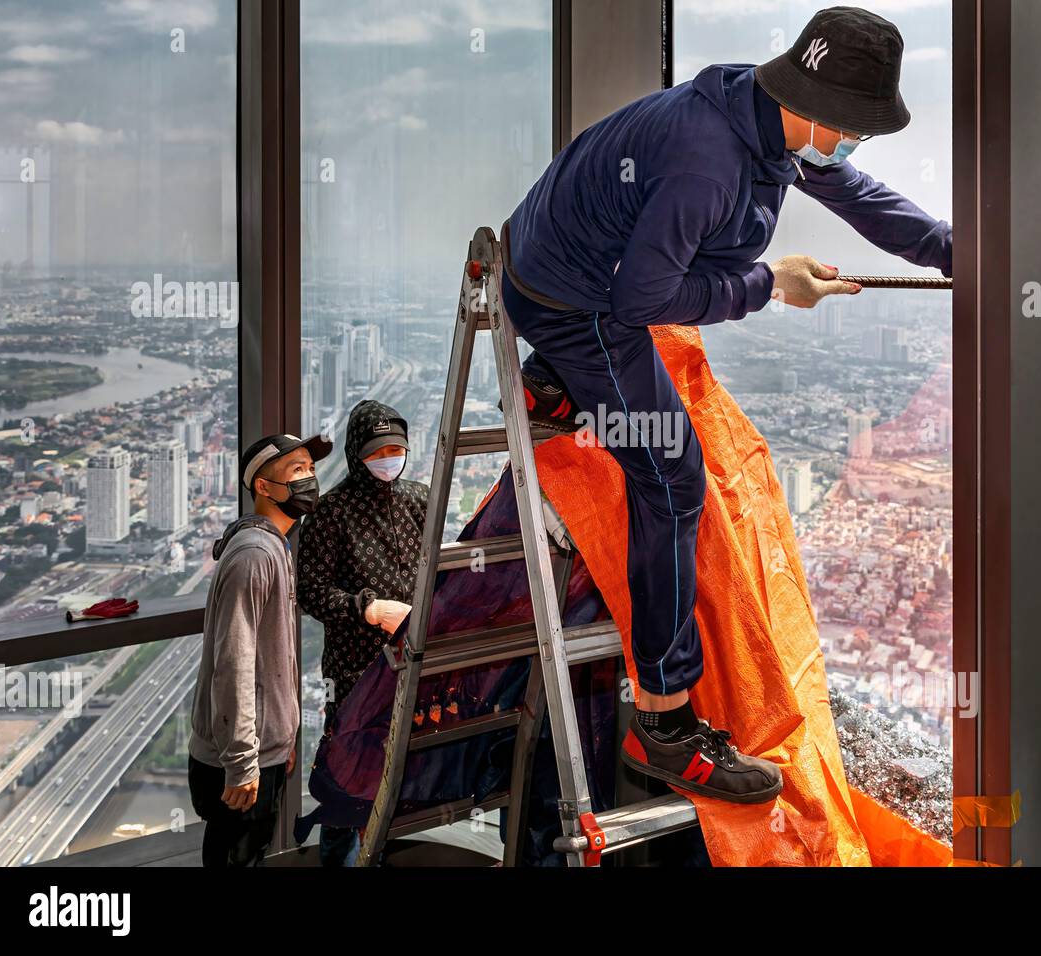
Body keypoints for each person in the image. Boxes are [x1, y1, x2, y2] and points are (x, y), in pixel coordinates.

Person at [500, 6, 952, 802]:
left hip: (562, 257)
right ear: (819, 110)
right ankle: (665, 726)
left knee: (665, 423)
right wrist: (769, 284)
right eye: (856, 130)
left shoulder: (762, 117)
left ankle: (551, 382)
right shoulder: (708, 161)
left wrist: (961, 250)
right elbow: (645, 300)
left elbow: (862, 196)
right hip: (574, 304)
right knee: (673, 476)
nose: (857, 145)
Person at [188, 431, 331, 866]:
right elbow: (234, 664)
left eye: (310, 468)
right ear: (263, 487)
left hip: (260, 750)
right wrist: (243, 762)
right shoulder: (255, 555)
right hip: (239, 759)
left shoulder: (273, 544)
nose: (309, 478)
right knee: (236, 858)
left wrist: (282, 739)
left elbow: (273, 660)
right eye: (296, 470)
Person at [297, 399, 428, 866]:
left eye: (396, 448)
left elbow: (437, 571)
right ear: (357, 453)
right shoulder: (331, 513)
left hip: (411, 667)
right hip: (355, 675)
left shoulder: (419, 499)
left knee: (399, 786)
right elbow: (309, 593)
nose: (388, 458)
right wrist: (367, 608)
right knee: (347, 790)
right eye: (377, 452)